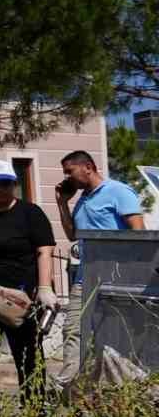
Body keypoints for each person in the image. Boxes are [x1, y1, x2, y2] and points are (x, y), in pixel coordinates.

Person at [0, 160, 57, 397]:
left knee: (28, 355)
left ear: (15, 184)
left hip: (21, 300)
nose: (0, 189)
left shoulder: (30, 213)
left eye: (5, 184)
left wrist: (45, 287)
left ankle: (34, 409)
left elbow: (44, 250)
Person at [55, 150, 145, 369]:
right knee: (73, 330)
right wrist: (62, 203)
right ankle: (70, 390)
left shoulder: (118, 191)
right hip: (85, 277)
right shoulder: (82, 200)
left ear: (88, 167)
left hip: (116, 277)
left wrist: (130, 273)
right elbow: (72, 235)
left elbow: (139, 232)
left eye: (70, 172)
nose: (67, 177)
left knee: (116, 336)